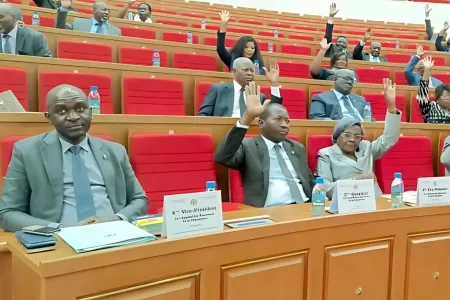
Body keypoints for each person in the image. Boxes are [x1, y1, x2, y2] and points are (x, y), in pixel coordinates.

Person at [0, 84, 148, 232]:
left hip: (116, 234)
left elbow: (139, 199)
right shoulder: (26, 152)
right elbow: (7, 213)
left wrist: (117, 219)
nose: (73, 117)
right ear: (49, 117)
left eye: (80, 109)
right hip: (58, 240)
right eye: (61, 111)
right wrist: (58, 229)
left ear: (90, 112)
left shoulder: (115, 151)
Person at [214, 82, 315, 207]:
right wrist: (248, 116)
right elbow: (222, 157)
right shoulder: (248, 146)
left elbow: (309, 181)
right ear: (261, 123)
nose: (284, 125)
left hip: (305, 206)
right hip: (269, 210)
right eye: (278, 119)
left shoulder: (296, 147)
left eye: (287, 121)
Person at [316, 78, 401, 199]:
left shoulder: (367, 148)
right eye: (347, 135)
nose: (352, 139)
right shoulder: (326, 154)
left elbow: (390, 139)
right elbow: (325, 188)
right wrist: (355, 180)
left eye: (357, 136)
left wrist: (391, 107)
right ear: (337, 136)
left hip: (374, 200)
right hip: (345, 201)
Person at [198, 58, 282, 117]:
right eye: (245, 70)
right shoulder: (218, 89)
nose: (250, 73)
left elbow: (274, 113)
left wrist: (274, 83)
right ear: (234, 72)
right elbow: (203, 115)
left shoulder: (258, 96)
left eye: (252, 71)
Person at [216, 10, 265, 75]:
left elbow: (262, 76)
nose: (249, 50)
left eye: (252, 48)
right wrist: (223, 25)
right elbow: (220, 49)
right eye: (246, 47)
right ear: (241, 48)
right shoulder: (233, 59)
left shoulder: (257, 63)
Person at [56, 0, 121, 36]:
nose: (106, 12)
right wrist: (63, 8)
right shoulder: (78, 23)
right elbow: (60, 28)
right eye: (103, 10)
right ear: (94, 10)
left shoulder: (116, 31)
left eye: (108, 11)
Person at [416, 56, 450, 124]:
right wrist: (427, 71)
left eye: (449, 95)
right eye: (445, 95)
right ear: (437, 98)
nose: (448, 98)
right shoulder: (430, 107)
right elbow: (423, 96)